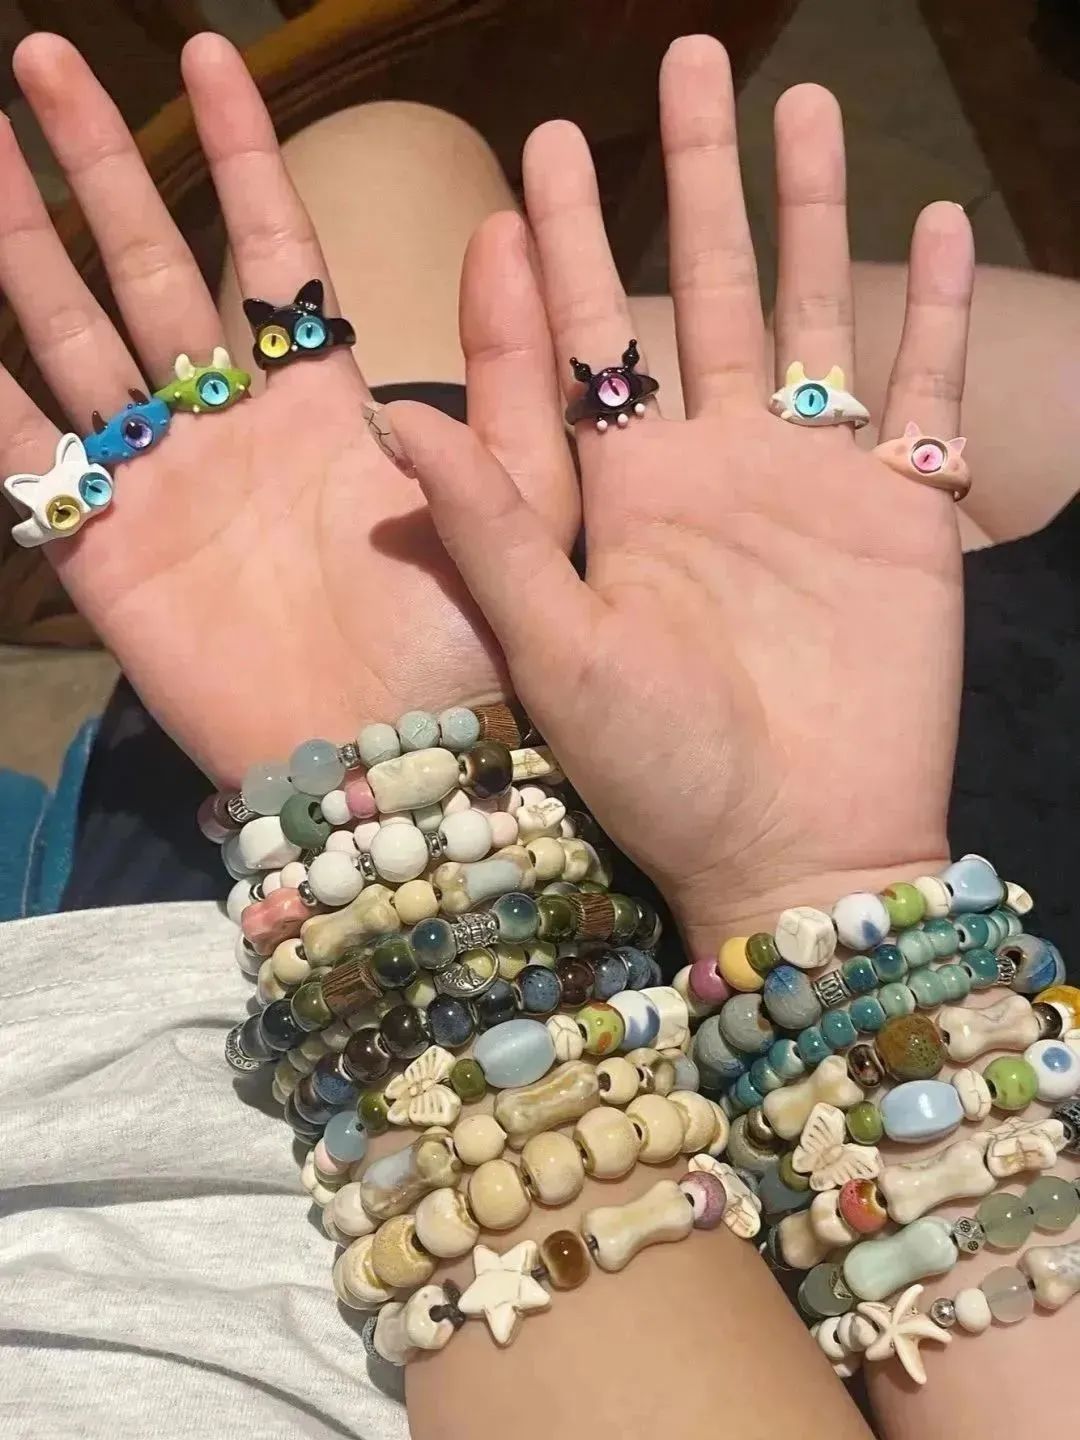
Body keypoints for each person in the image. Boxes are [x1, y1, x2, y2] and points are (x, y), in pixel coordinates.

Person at [0, 29, 1076, 1440]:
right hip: (814, 884)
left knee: (382, 166)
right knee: (400, 167)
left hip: (234, 1011)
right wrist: (820, 877)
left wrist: (409, 852)